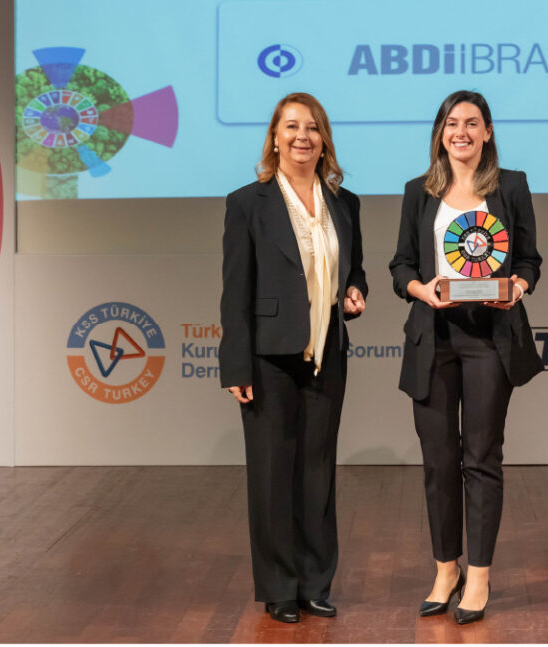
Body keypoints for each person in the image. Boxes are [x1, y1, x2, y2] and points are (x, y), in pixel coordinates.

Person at [389, 90, 543, 625]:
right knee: (438, 462)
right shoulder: (418, 192)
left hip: (489, 340)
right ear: (440, 133)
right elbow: (401, 265)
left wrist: (517, 286)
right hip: (432, 338)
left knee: (481, 458)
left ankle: (478, 575)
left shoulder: (511, 186)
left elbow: (529, 260)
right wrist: (420, 289)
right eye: (452, 123)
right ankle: (445, 569)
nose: (462, 132)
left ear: (488, 132)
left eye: (472, 123)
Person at [218, 92, 367, 624]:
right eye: (291, 127)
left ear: (324, 139)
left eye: (312, 127)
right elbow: (235, 291)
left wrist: (356, 290)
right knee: (271, 475)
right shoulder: (247, 203)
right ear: (275, 139)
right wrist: (236, 365)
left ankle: (314, 583)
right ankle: (279, 586)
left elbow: (353, 268)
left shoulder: (344, 203)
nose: (303, 136)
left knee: (317, 474)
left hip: (328, 353)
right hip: (268, 359)